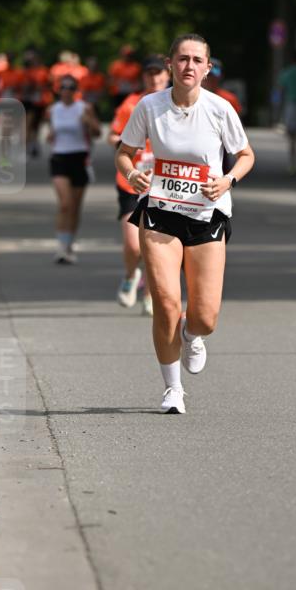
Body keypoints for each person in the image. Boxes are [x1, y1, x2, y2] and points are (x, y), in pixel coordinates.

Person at [115, 33, 255, 413]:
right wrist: (132, 175)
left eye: (197, 60)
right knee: (165, 302)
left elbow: (245, 154)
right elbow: (124, 153)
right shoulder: (149, 106)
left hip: (206, 214)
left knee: (205, 316)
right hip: (160, 212)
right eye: (182, 59)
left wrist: (228, 180)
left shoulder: (220, 109)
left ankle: (193, 335)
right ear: (170, 64)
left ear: (207, 68)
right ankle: (173, 389)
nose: (189, 66)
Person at [109, 54, 169, 315]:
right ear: (143, 77)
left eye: (159, 73)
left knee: (155, 246)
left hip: (165, 184)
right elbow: (113, 133)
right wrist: (121, 144)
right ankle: (131, 275)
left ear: (167, 75)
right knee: (134, 244)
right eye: (149, 74)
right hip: (131, 181)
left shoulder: (175, 102)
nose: (154, 78)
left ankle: (150, 295)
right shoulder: (131, 103)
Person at [46, 75, 101, 264]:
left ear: (76, 91)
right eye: (63, 87)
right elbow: (51, 133)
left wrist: (88, 121)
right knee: (65, 204)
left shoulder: (84, 108)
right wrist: (51, 135)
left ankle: (69, 245)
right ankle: (61, 248)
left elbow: (98, 132)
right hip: (59, 157)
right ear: (58, 90)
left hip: (80, 157)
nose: (67, 91)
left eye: (71, 87)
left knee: (75, 207)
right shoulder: (52, 110)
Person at [21, 51, 51, 157]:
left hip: (39, 101)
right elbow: (23, 86)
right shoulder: (25, 72)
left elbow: (48, 84)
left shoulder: (43, 71)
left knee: (37, 125)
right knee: (28, 123)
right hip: (28, 101)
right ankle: (26, 146)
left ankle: (34, 142)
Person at [108, 44, 142, 109]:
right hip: (118, 94)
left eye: (130, 55)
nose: (128, 57)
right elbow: (110, 80)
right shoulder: (116, 66)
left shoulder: (136, 67)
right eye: (126, 55)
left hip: (131, 94)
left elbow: (140, 81)